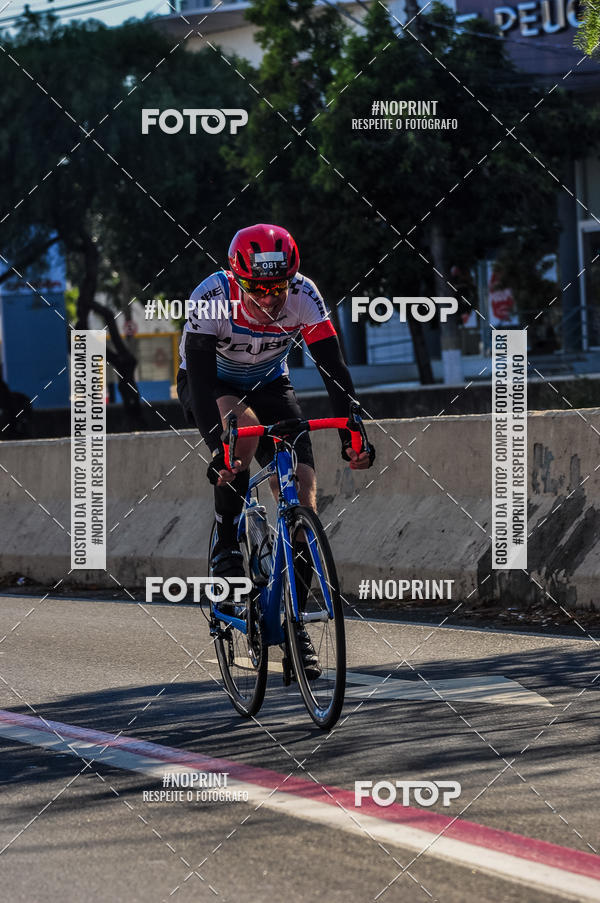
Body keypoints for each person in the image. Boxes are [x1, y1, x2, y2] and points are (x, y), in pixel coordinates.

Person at [177, 224, 375, 675]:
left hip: (270, 381)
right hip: (213, 383)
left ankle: (293, 626)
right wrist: (219, 447)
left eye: (278, 288)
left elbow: (334, 369)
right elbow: (204, 382)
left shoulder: (305, 296)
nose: (269, 300)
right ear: (238, 279)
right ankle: (226, 545)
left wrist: (352, 433)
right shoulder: (212, 298)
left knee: (303, 493)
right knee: (241, 438)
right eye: (258, 289)